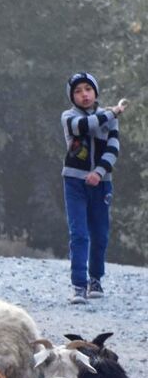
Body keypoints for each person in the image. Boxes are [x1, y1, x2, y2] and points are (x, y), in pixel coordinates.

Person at [61, 71, 127, 304]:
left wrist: (99, 172)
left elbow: (113, 147)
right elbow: (84, 126)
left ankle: (95, 279)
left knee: (100, 234)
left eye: (88, 89)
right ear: (72, 97)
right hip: (74, 181)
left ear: (95, 92)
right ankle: (78, 285)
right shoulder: (68, 117)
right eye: (78, 91)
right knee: (79, 234)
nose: (84, 95)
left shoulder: (110, 117)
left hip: (101, 183)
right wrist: (111, 112)